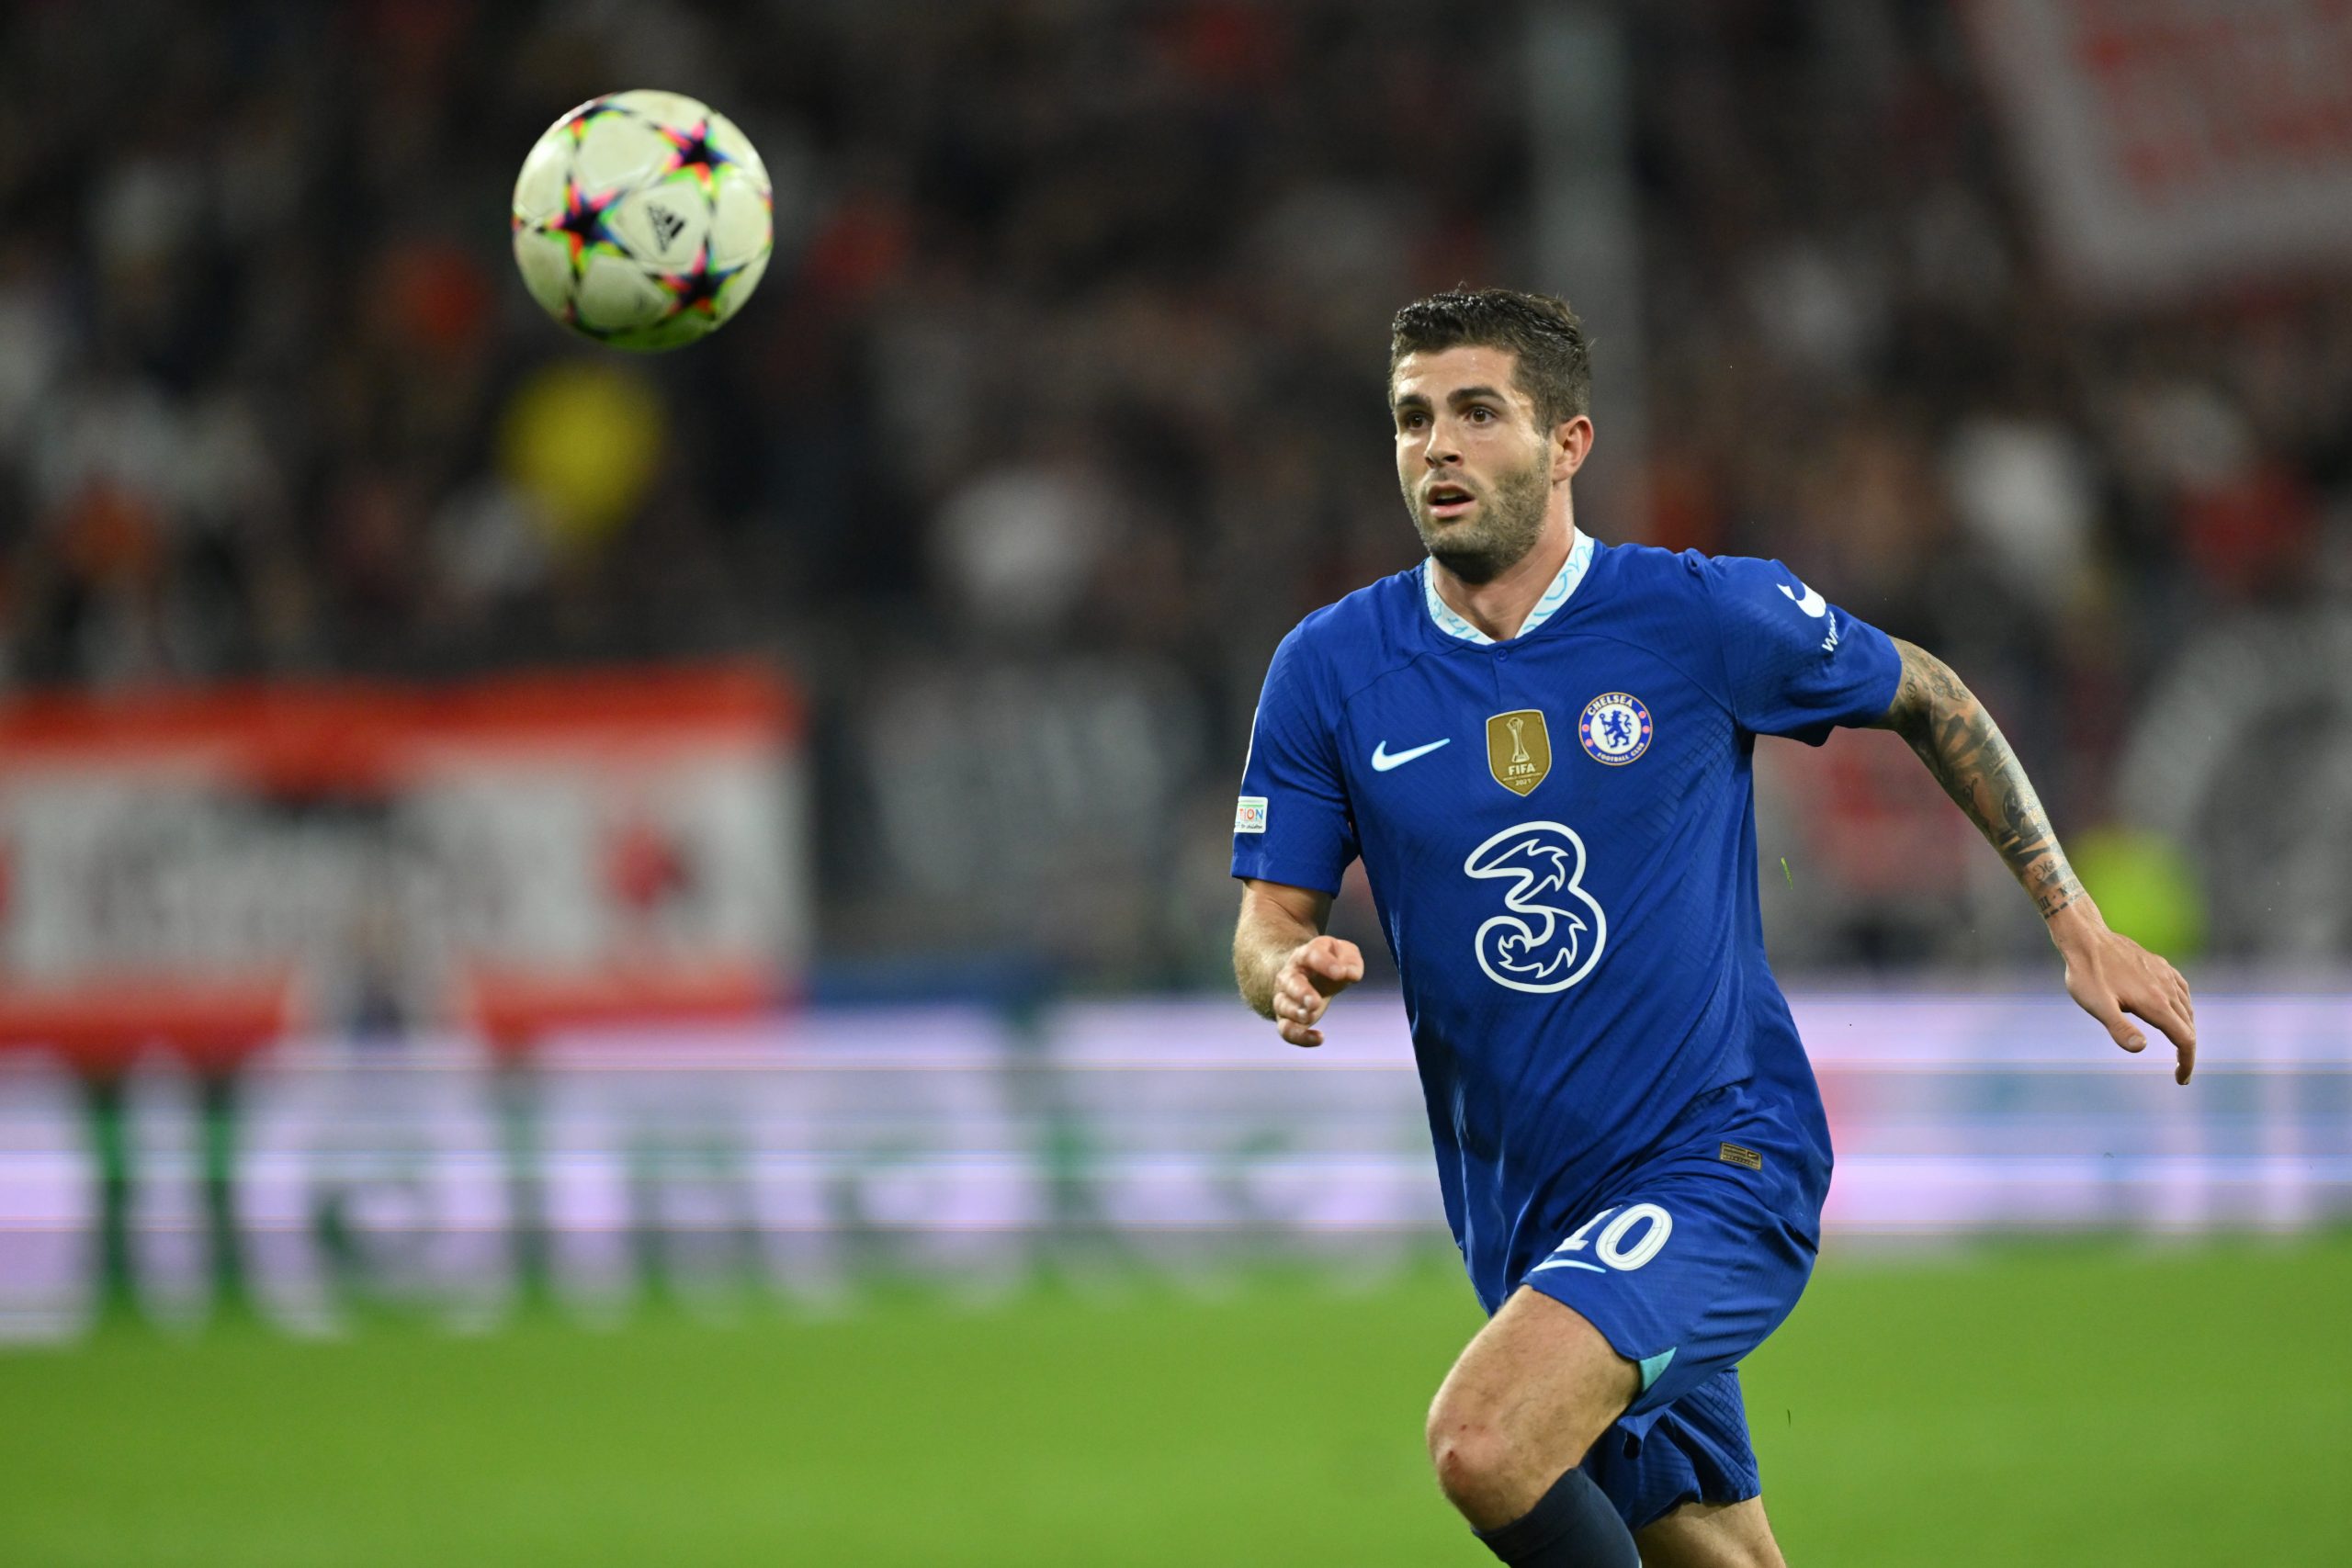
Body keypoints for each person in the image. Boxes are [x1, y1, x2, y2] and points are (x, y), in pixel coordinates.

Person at [1227, 288, 2197, 1567]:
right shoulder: (1330, 669)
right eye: (1412, 418)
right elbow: (1264, 921)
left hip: (1723, 1163)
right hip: (1530, 1215)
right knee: (1718, 1557)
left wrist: (2073, 917)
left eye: (1476, 413)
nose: (1437, 447)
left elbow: (1929, 692)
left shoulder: (1695, 616)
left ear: (1569, 444)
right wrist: (1283, 970)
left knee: (1486, 1441)